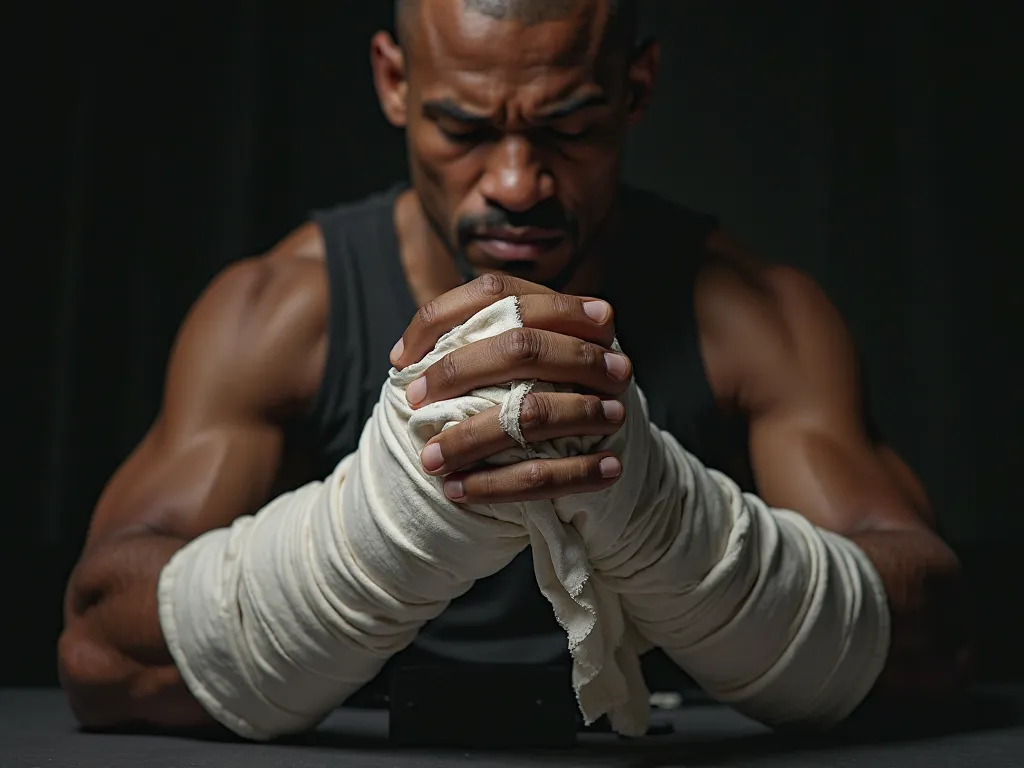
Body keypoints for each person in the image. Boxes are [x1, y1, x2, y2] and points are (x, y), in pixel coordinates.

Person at [58, 0, 972, 737]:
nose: (515, 181)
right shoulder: (279, 313)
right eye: (462, 127)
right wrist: (390, 515)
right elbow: (102, 646)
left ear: (636, 88)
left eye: (568, 126)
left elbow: (934, 640)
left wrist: (661, 517)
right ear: (393, 81)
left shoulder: (754, 314)